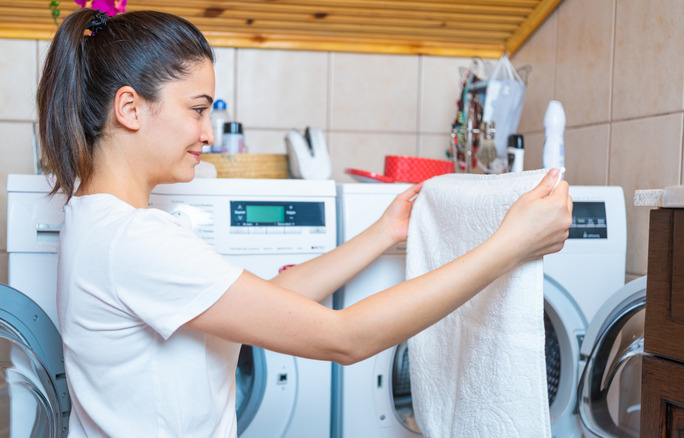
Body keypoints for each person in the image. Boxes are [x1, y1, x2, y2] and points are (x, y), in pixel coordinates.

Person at [37, 8, 573, 438]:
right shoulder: (136, 240)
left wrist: (382, 232)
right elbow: (345, 339)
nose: (208, 132)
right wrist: (510, 246)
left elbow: (270, 301)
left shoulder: (100, 222)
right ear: (129, 109)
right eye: (197, 109)